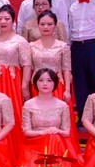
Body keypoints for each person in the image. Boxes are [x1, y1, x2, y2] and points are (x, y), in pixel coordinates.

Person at [28, 10, 78, 144]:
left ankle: (63, 148)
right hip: (37, 86)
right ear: (38, 25)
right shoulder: (31, 46)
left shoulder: (63, 46)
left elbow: (66, 68)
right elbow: (30, 68)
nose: (46, 27)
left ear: (55, 25)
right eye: (42, 24)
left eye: (49, 24)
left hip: (58, 86)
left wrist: (67, 90)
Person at [21, 68, 81, 167]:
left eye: (49, 80)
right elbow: (26, 131)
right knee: (51, 137)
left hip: (57, 143)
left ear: (55, 83)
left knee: (53, 137)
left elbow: (66, 132)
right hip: (36, 143)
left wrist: (58, 131)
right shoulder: (28, 104)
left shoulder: (62, 105)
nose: (45, 84)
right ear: (35, 83)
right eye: (41, 80)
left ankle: (54, 166)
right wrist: (43, 133)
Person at [0, 5, 31, 124]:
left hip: (13, 82)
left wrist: (24, 86)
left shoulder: (20, 41)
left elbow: (27, 65)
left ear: (13, 21)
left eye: (7, 18)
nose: (3, 22)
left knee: (13, 110)